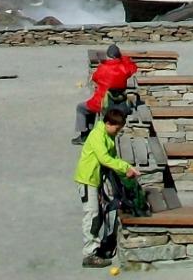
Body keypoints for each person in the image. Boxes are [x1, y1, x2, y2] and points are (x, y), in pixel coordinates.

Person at [76, 102, 139, 266]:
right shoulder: (97, 135)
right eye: (117, 129)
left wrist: (126, 169)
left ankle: (96, 249)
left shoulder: (108, 136)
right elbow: (105, 159)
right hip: (87, 180)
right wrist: (125, 167)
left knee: (98, 215)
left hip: (96, 180)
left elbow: (113, 159)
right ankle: (89, 254)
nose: (118, 133)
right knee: (92, 216)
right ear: (108, 123)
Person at [77, 45, 137, 141]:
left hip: (102, 101)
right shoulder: (125, 68)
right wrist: (122, 58)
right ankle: (89, 131)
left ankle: (84, 135)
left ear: (109, 56)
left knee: (81, 108)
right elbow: (133, 67)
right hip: (119, 100)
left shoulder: (103, 68)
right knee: (90, 108)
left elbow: (95, 78)